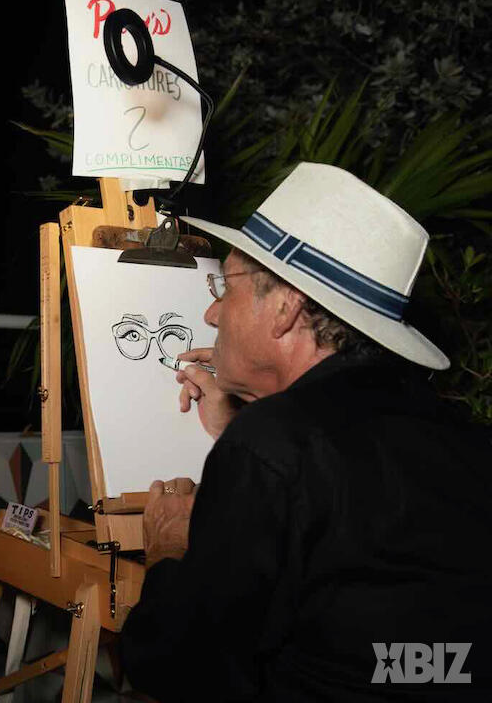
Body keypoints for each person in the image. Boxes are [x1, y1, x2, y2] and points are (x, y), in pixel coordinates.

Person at [120, 162, 492, 701]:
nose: (212, 312)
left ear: (286, 309)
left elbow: (181, 667)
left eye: (226, 286)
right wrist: (242, 432)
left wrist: (169, 554)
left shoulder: (274, 446)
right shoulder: (457, 436)